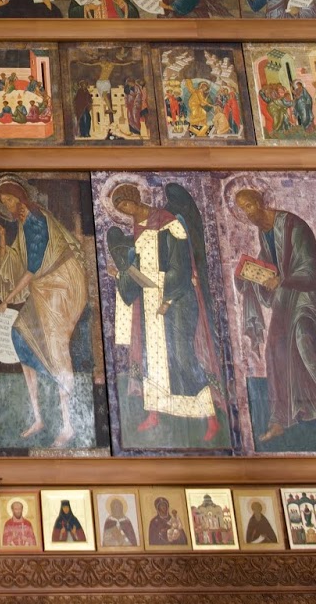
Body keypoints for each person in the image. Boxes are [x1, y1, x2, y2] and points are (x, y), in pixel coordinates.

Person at [232, 187, 316, 449]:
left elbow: (311, 271)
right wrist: (249, 275)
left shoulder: (293, 226)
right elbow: (268, 266)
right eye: (243, 210)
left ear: (260, 202)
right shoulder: (264, 233)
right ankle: (280, 420)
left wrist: (281, 280)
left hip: (309, 299)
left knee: (303, 344)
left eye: (249, 206)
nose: (248, 214)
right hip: (286, 301)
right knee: (275, 351)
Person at [104, 182, 223, 442]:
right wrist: (120, 275)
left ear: (136, 198)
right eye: (121, 209)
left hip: (176, 298)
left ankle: (210, 417)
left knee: (182, 355)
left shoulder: (168, 222)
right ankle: (154, 413)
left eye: (126, 204)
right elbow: (138, 271)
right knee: (154, 358)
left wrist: (167, 300)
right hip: (149, 302)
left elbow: (181, 265)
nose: (126, 210)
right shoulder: (137, 231)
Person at [0, 178, 88, 445]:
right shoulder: (24, 222)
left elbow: (32, 268)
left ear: (20, 196)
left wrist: (7, 299)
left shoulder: (34, 219)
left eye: (10, 199)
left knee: (56, 347)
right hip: (42, 286)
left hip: (60, 283)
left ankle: (69, 424)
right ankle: (37, 417)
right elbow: (19, 261)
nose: (8, 205)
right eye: (4, 202)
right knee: (20, 334)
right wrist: (2, 239)